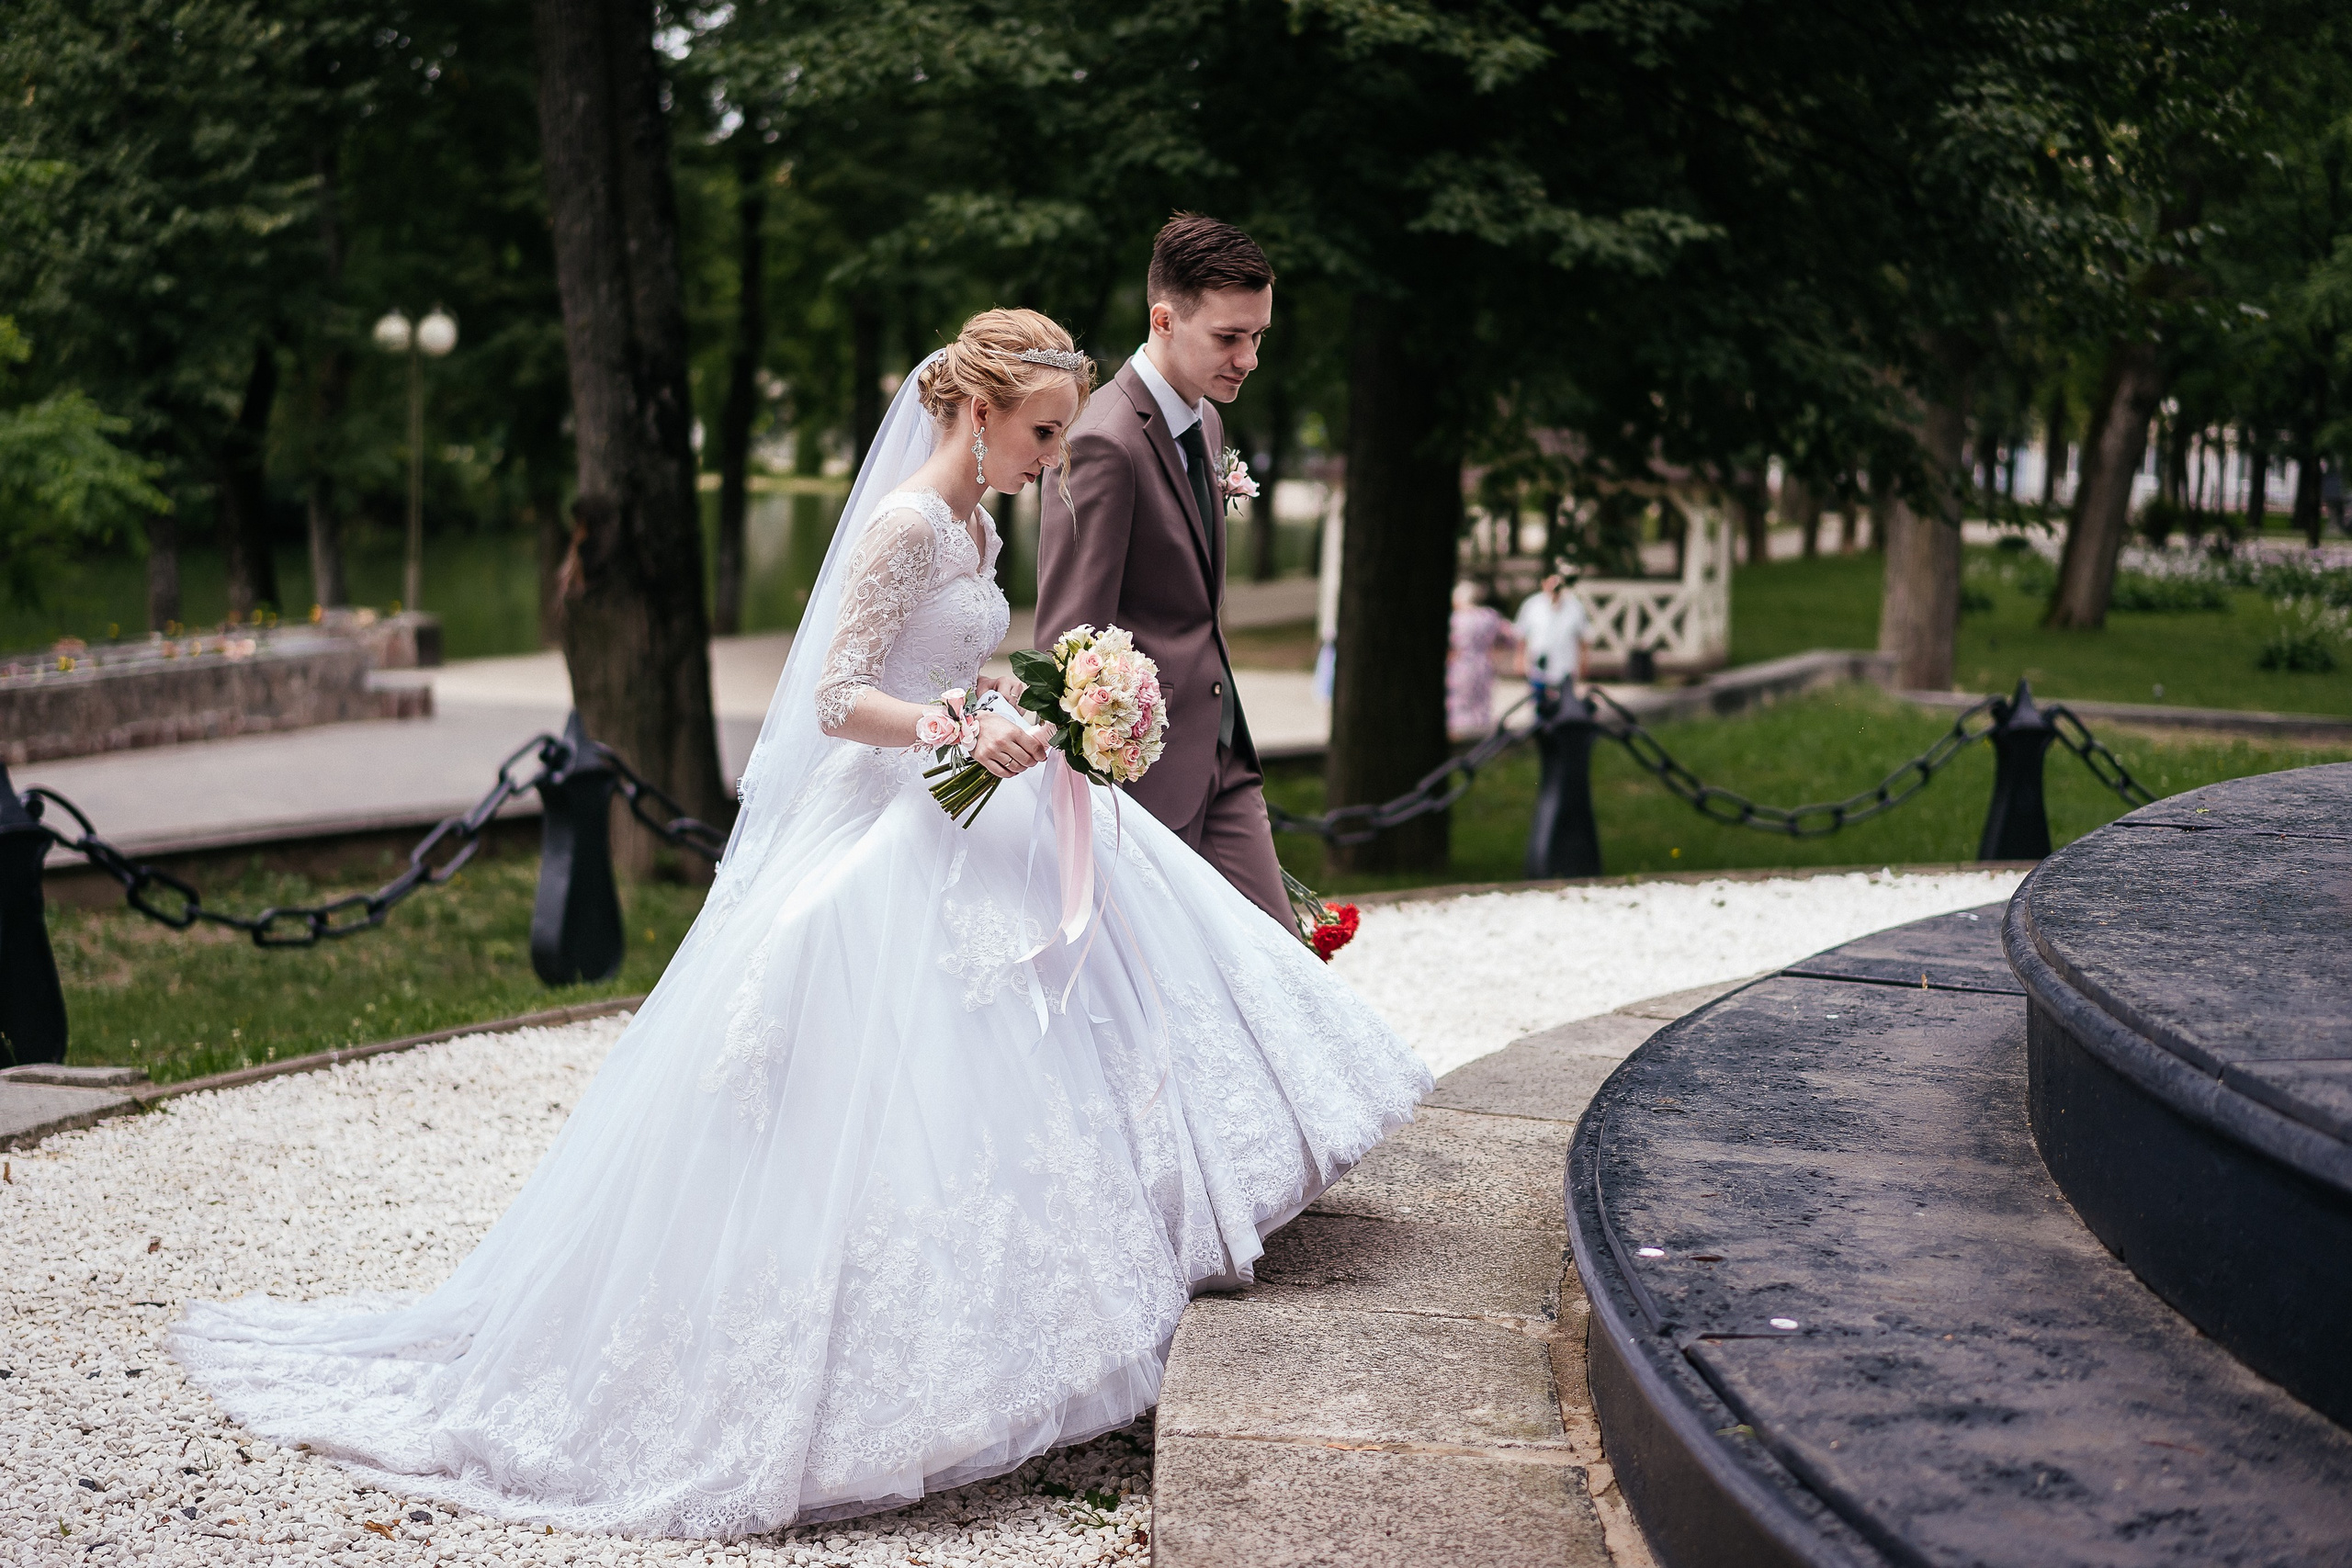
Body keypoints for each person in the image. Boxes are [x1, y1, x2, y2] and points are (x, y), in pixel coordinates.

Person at [166, 309, 1430, 1539]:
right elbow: (837, 699)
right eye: (1042, 433)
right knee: (885, 1051)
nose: (1056, 458)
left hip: (960, 784)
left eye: (1060, 434)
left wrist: (1020, 705)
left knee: (1072, 994)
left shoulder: (977, 519)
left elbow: (947, 666)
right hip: (888, 807)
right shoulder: (904, 523)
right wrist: (951, 725)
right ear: (978, 413)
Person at [1035, 213, 1289, 929]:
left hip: (1222, 756)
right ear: (1164, 320)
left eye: (1259, 336)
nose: (1249, 358)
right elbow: (1070, 643)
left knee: (1281, 963)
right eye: (1230, 337)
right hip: (1142, 786)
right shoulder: (1103, 442)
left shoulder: (1205, 420)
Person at [1446, 580, 1518, 739]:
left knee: (1459, 702)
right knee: (1481, 701)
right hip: (1484, 662)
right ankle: (1480, 736)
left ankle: (1460, 737)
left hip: (1460, 663)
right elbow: (1510, 637)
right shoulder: (1489, 616)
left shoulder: (1455, 619)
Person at [1515, 563, 1589, 708]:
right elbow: (1521, 635)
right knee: (1539, 707)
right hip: (1539, 668)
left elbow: (1583, 637)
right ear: (1544, 583)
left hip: (1565, 668)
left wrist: (1584, 662)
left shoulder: (1574, 606)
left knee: (1564, 707)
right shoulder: (1532, 605)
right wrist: (1519, 659)